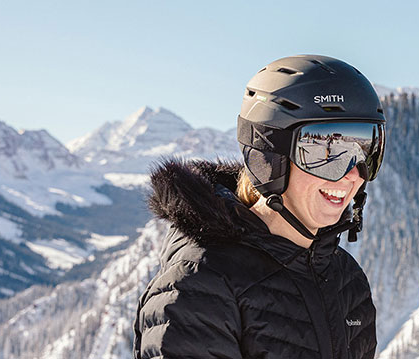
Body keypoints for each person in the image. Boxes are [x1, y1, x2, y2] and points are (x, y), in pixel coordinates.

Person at [134, 55, 385, 359]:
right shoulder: (201, 285)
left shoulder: (346, 279)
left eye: (366, 149)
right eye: (325, 151)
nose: (352, 174)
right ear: (269, 158)